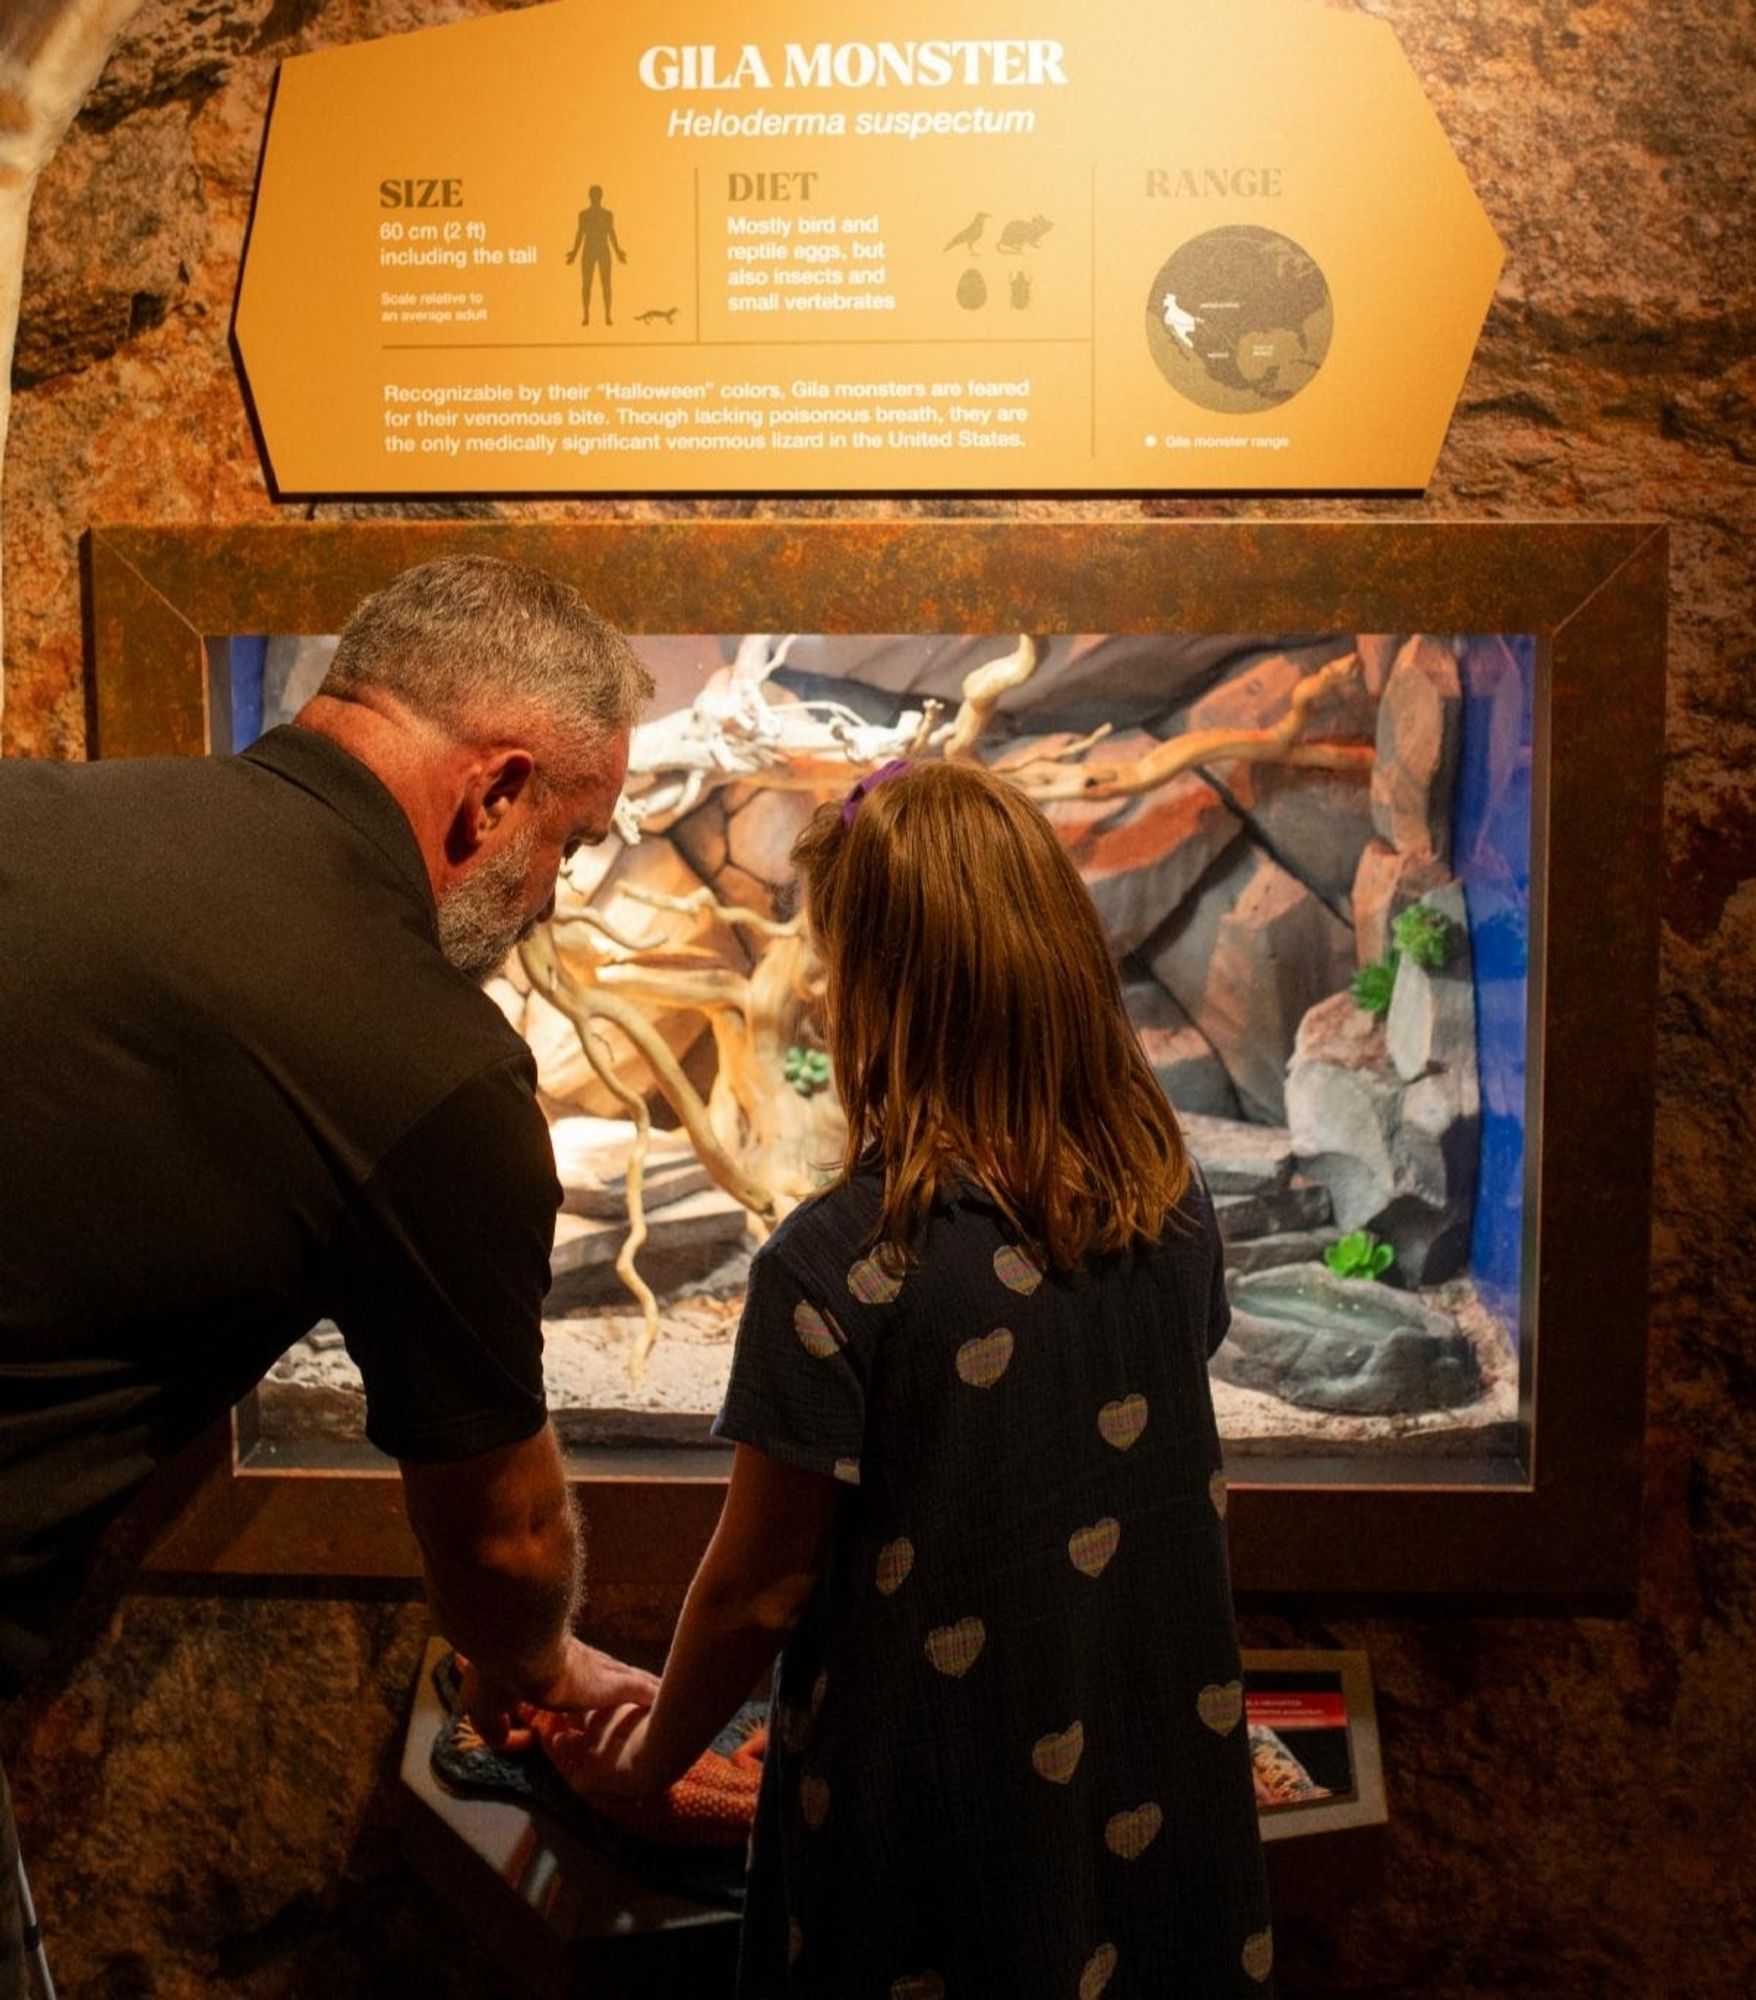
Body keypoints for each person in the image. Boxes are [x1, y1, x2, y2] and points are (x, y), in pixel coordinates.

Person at [0, 555, 661, 1996]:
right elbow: (499, 1538)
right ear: (492, 798)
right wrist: (540, 1669)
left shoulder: (29, 806)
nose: (558, 890)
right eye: (575, 837)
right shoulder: (429, 1067)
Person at [545, 757, 1276, 1996]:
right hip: (1145, 1782)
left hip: (927, 1836)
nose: (819, 989)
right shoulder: (1174, 1202)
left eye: (831, 957)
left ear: (887, 987)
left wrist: (651, 1754)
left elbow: (759, 1589)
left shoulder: (840, 1265)